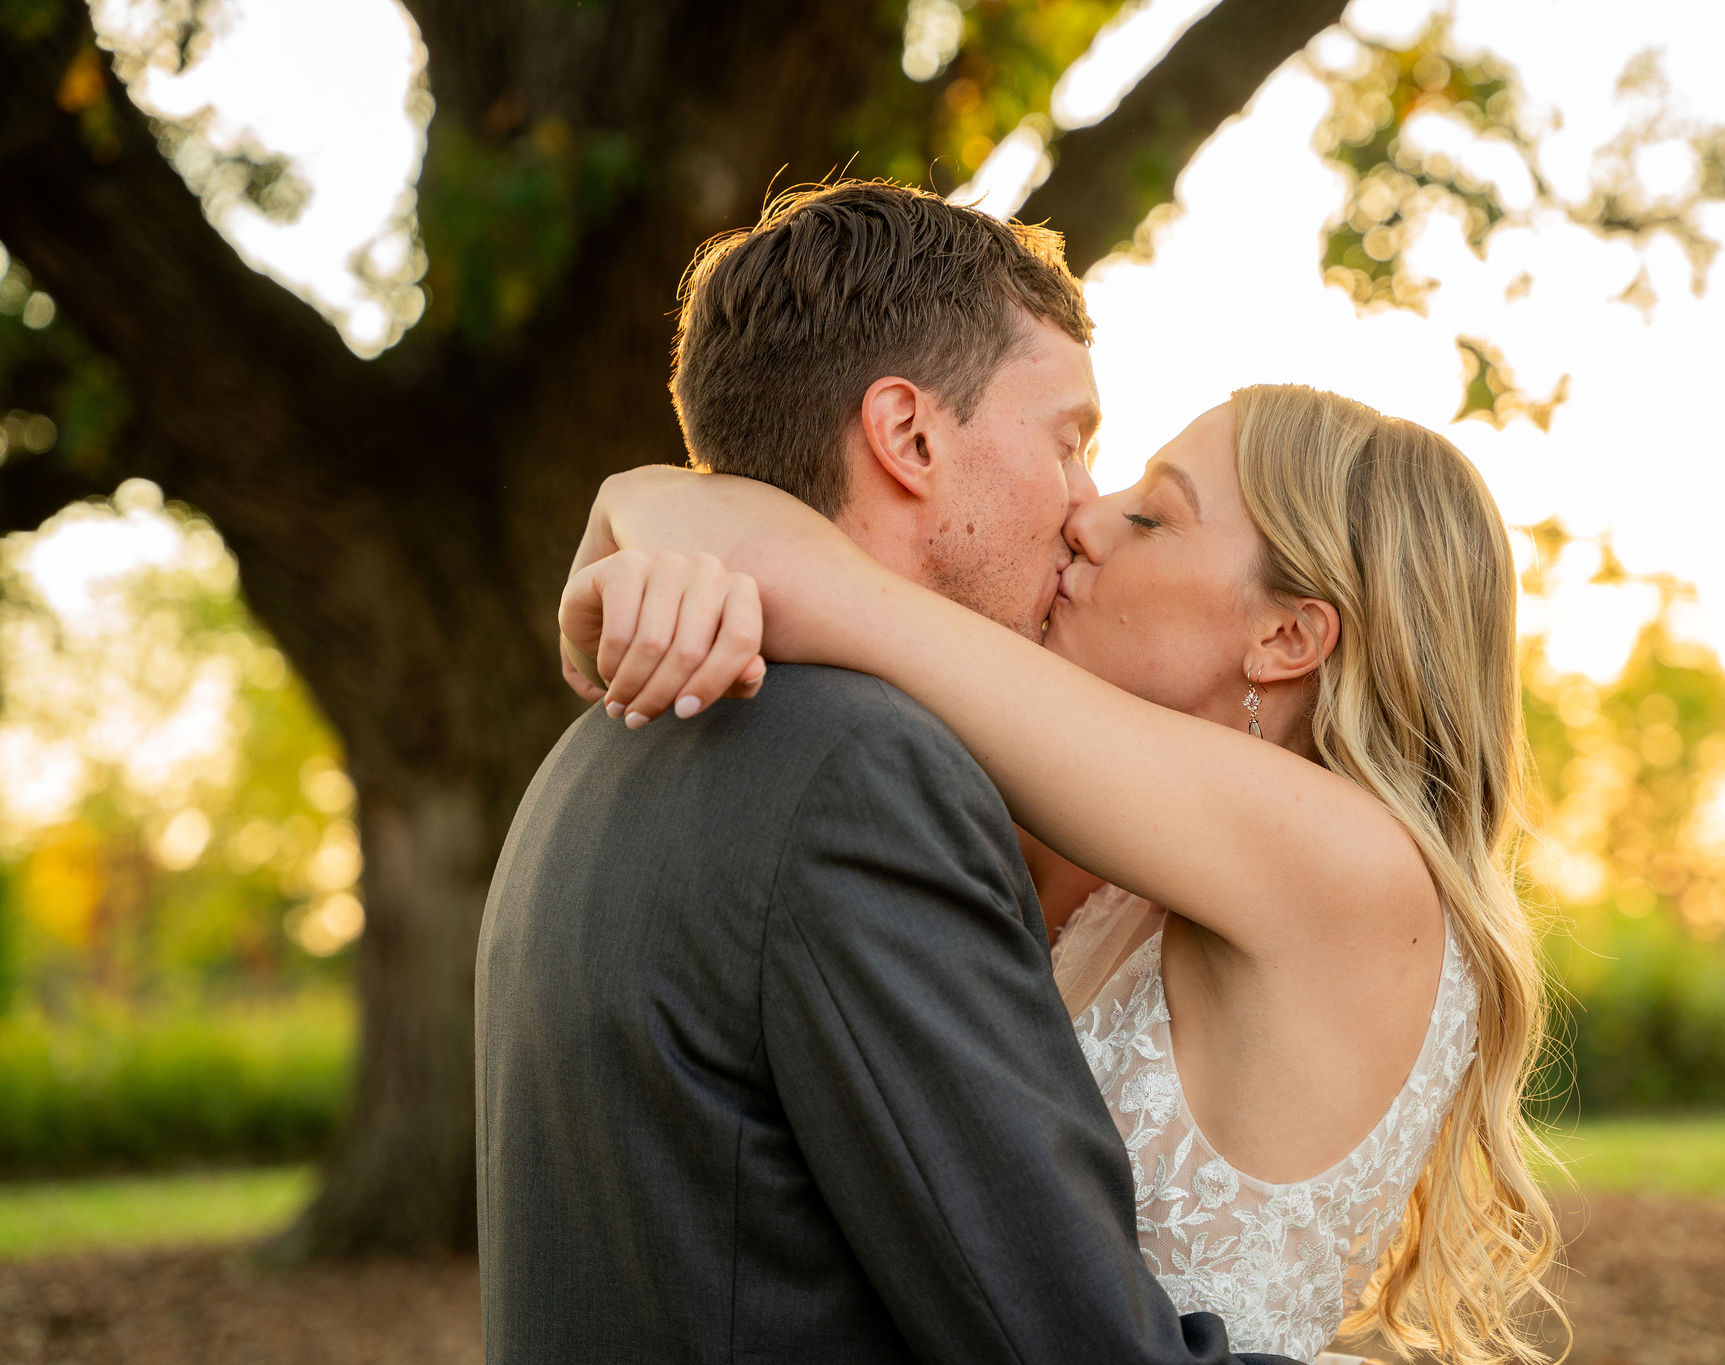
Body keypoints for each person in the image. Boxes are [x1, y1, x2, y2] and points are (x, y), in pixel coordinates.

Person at [558, 385, 1566, 1362]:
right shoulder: (1158, 880)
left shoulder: (1351, 867)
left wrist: (628, 497)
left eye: (1152, 516)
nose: (1087, 517)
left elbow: (814, 587)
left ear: (1285, 636)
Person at [476, 180, 1301, 1364]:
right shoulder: (864, 777)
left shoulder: (599, 745)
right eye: (1069, 441)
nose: (1083, 509)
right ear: (908, 436)